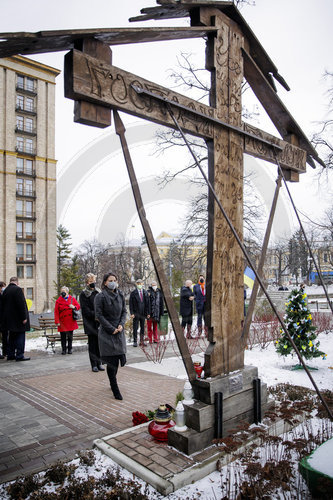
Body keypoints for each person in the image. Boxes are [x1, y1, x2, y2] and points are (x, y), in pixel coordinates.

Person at [94, 272, 127, 400]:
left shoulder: (120, 295)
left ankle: (113, 381)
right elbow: (99, 315)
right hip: (107, 332)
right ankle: (115, 388)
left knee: (118, 360)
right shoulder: (100, 297)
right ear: (105, 283)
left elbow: (124, 311)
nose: (113, 282)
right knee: (111, 362)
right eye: (110, 280)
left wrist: (121, 325)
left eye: (114, 279)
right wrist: (110, 328)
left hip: (119, 331)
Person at [79, 273, 104, 373]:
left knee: (99, 344)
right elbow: (85, 310)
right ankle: (93, 364)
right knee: (92, 344)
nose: (92, 283)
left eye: (93, 281)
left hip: (99, 323)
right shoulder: (84, 294)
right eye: (90, 281)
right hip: (90, 323)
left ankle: (99, 363)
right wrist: (96, 315)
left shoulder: (98, 292)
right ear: (86, 282)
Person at [1, 277, 30, 361]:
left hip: (9, 320)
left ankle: (10, 354)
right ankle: (19, 355)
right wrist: (24, 317)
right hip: (18, 320)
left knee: (11, 338)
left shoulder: (5, 291)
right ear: (17, 282)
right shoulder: (18, 290)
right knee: (20, 337)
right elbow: (21, 304)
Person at [54, 286, 80, 355]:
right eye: (61, 291)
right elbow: (56, 312)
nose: (63, 293)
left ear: (67, 292)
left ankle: (70, 348)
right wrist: (57, 321)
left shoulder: (72, 299)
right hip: (62, 321)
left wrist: (74, 307)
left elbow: (78, 306)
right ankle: (64, 349)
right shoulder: (58, 301)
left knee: (70, 336)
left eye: (64, 291)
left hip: (70, 320)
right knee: (63, 336)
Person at [129, 278, 149, 347]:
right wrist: (131, 313)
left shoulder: (145, 292)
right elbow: (130, 304)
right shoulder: (133, 293)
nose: (139, 285)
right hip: (136, 313)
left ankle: (142, 341)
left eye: (141, 283)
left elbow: (147, 304)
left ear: (142, 284)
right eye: (138, 284)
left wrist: (148, 313)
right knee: (135, 327)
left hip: (143, 313)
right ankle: (135, 341)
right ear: (136, 284)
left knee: (142, 328)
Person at [0, 281, 7, 358]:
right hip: (2, 319)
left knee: (5, 336)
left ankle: (5, 351)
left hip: (3, 320)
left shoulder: (3, 295)